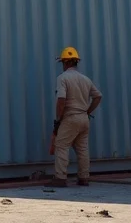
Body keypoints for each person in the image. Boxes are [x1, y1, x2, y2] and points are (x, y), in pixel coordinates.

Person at [49, 46, 102, 187]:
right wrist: (88, 111)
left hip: (70, 117)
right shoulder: (85, 79)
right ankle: (84, 178)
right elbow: (98, 96)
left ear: (65, 63)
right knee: (82, 149)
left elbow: (61, 100)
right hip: (84, 119)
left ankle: (60, 178)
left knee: (61, 145)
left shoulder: (62, 78)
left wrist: (58, 119)